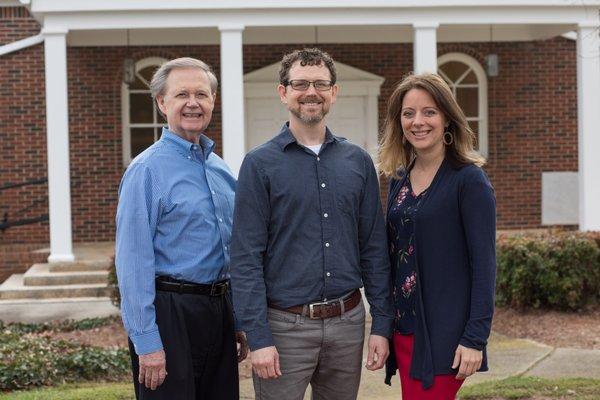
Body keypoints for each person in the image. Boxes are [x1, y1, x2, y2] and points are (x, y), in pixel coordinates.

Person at [230, 48, 394, 400]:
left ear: (334, 92)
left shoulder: (358, 162)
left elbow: (374, 249)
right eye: (300, 83)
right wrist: (258, 338)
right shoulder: (259, 165)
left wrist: (382, 324)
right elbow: (245, 257)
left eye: (321, 83)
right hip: (284, 327)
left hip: (348, 323)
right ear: (283, 92)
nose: (311, 92)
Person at [115, 57, 247, 400]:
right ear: (162, 103)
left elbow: (229, 252)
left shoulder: (222, 171)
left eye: (202, 94)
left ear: (213, 101)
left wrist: (237, 320)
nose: (193, 103)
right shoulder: (145, 171)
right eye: (182, 94)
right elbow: (132, 263)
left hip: (218, 311)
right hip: (170, 314)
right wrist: (147, 342)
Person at [378, 73, 496, 400]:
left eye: (429, 112)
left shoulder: (469, 181)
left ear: (446, 118)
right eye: (408, 113)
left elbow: (485, 266)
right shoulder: (399, 178)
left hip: (445, 334)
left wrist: (475, 338)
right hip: (404, 329)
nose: (418, 121)